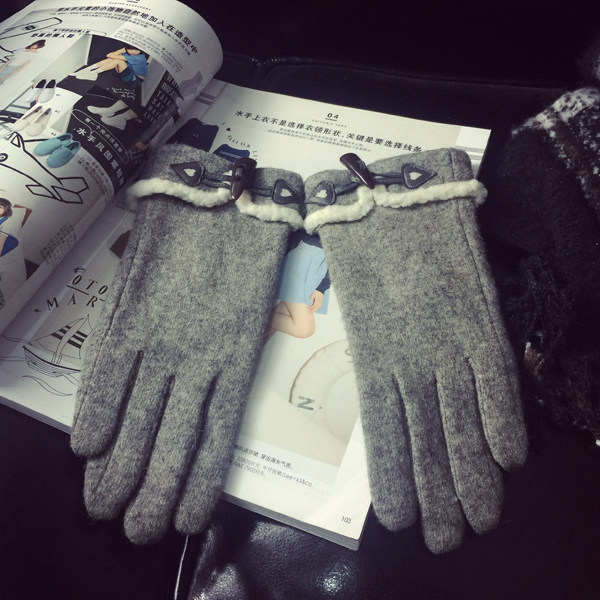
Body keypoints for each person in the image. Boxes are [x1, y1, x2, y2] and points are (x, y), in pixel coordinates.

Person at [265, 231, 330, 340]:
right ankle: (254, 316)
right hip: (303, 259)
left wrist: (321, 288)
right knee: (305, 329)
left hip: (319, 269)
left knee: (272, 326)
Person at [73, 46, 148, 87]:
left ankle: (93, 73)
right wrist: (124, 49)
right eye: (131, 49)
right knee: (112, 59)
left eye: (137, 50)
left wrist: (124, 49)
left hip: (135, 81)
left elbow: (111, 55)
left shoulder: (140, 58)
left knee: (118, 60)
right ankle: (86, 70)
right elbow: (109, 56)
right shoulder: (128, 54)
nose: (133, 52)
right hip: (128, 74)